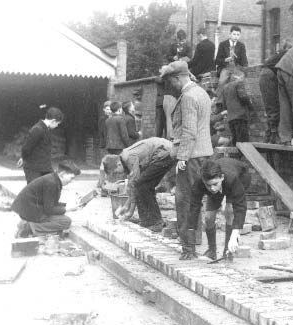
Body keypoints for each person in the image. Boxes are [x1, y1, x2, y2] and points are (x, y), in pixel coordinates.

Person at [161, 60, 213, 260]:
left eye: (170, 82)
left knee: (184, 202)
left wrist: (182, 157)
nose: (171, 87)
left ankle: (188, 249)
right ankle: (194, 241)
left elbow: (190, 130)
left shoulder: (188, 97)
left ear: (177, 78)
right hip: (203, 154)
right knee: (197, 201)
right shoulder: (202, 93)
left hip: (190, 157)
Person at [103, 137, 176, 232]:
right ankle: (152, 221)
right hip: (164, 152)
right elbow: (133, 186)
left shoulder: (129, 158)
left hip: (165, 153)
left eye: (116, 172)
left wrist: (130, 212)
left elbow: (135, 184)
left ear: (118, 164)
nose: (119, 175)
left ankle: (153, 222)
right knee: (145, 186)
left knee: (142, 185)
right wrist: (126, 206)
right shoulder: (125, 158)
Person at [187, 158, 250, 261]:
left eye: (215, 184)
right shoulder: (199, 182)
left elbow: (240, 207)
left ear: (222, 177)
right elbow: (194, 206)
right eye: (208, 185)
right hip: (222, 183)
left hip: (241, 177)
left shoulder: (232, 179)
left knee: (229, 211)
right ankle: (212, 251)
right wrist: (190, 231)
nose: (212, 188)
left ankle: (227, 251)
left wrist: (235, 236)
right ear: (203, 180)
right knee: (208, 217)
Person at [12, 160, 82, 238]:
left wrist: (67, 205)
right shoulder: (52, 183)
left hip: (29, 208)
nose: (72, 181)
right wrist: (68, 209)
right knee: (66, 221)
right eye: (71, 178)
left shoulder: (53, 179)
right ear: (62, 174)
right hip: (30, 210)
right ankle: (29, 228)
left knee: (62, 217)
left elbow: (51, 203)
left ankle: (28, 224)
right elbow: (49, 210)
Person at [259, 39, 293, 144]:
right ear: (289, 48)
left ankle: (269, 135)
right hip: (269, 76)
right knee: (273, 106)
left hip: (265, 75)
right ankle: (274, 135)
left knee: (270, 107)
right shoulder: (287, 53)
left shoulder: (278, 55)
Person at [18, 107, 64, 184]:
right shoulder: (38, 129)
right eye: (57, 124)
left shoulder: (45, 129)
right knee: (34, 193)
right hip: (34, 170)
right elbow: (26, 148)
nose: (57, 126)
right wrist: (23, 158)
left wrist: (23, 158)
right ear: (53, 121)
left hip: (44, 168)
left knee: (51, 188)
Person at [218, 69, 253, 146]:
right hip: (240, 116)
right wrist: (251, 106)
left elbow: (224, 105)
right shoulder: (239, 83)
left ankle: (236, 157)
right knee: (243, 142)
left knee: (235, 140)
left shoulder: (225, 87)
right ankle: (242, 157)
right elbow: (243, 97)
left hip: (231, 118)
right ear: (238, 76)